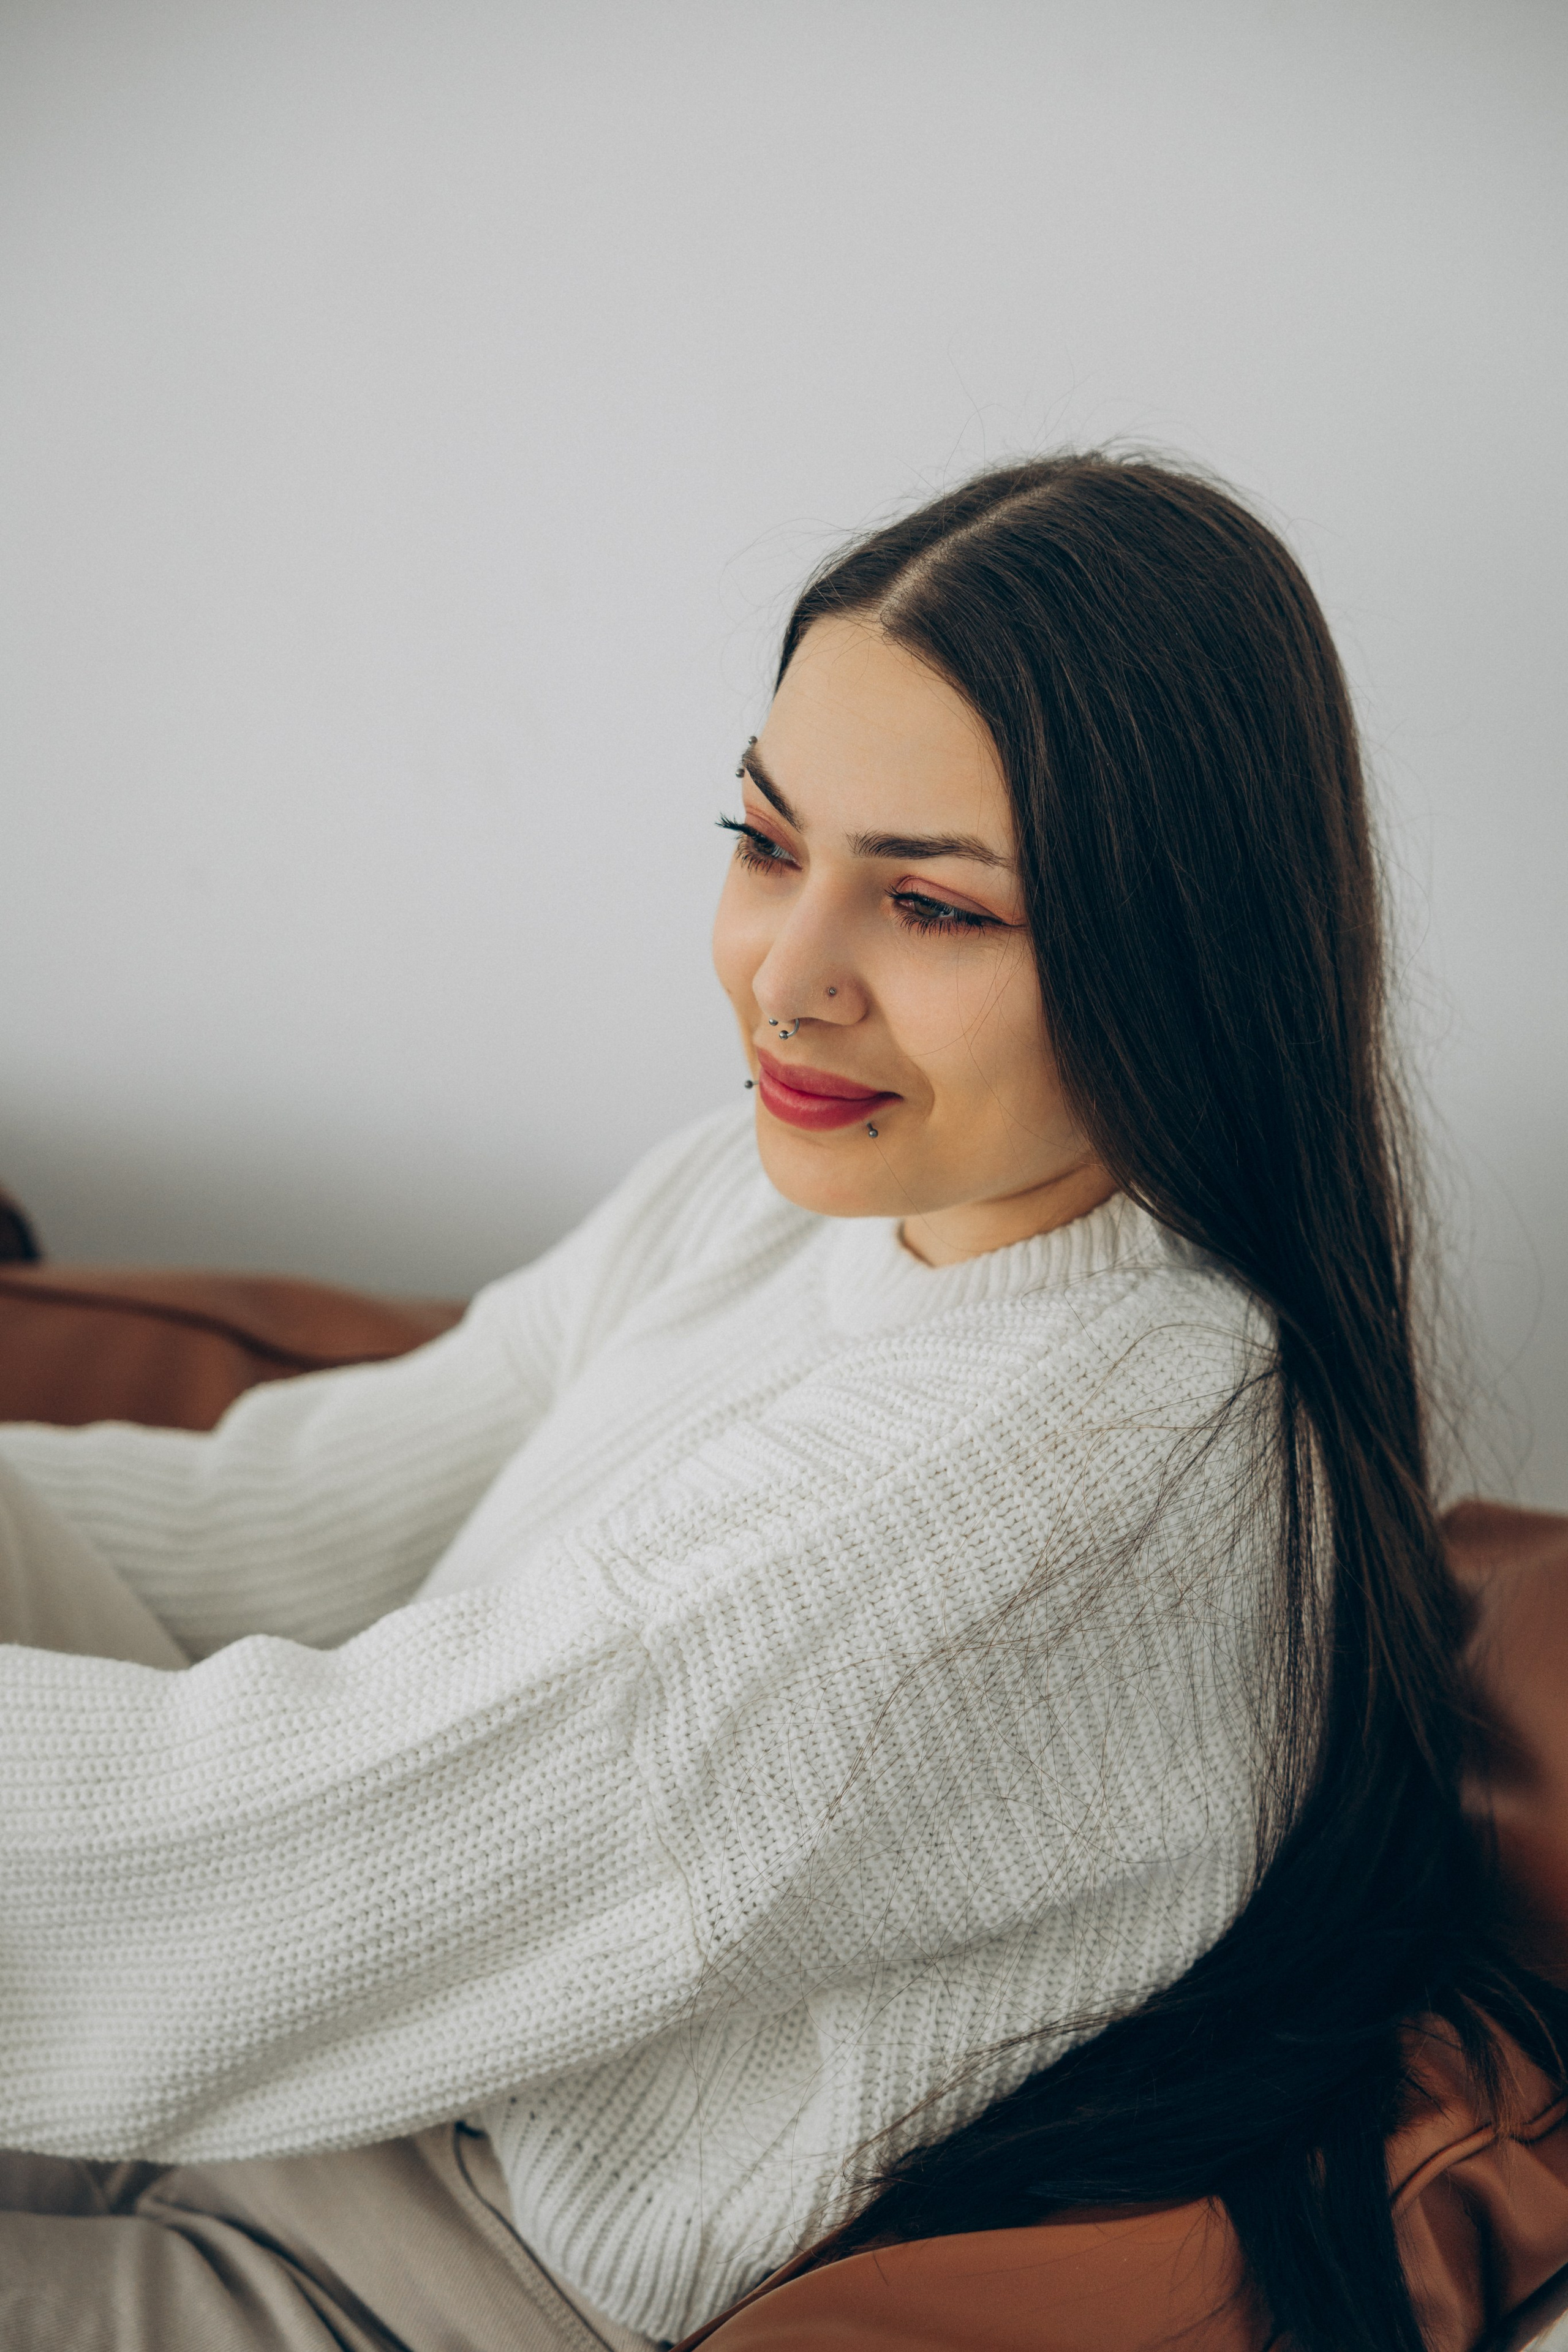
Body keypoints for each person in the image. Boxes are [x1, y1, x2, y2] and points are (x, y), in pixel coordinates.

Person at [0, 451, 1529, 2352]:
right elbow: (313, 1510)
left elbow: (293, 1872)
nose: (787, 983)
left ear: (1182, 952)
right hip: (295, 2071)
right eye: (767, 842)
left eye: (935, 907)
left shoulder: (1090, 1461)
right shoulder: (803, 1182)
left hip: (424, 2269)